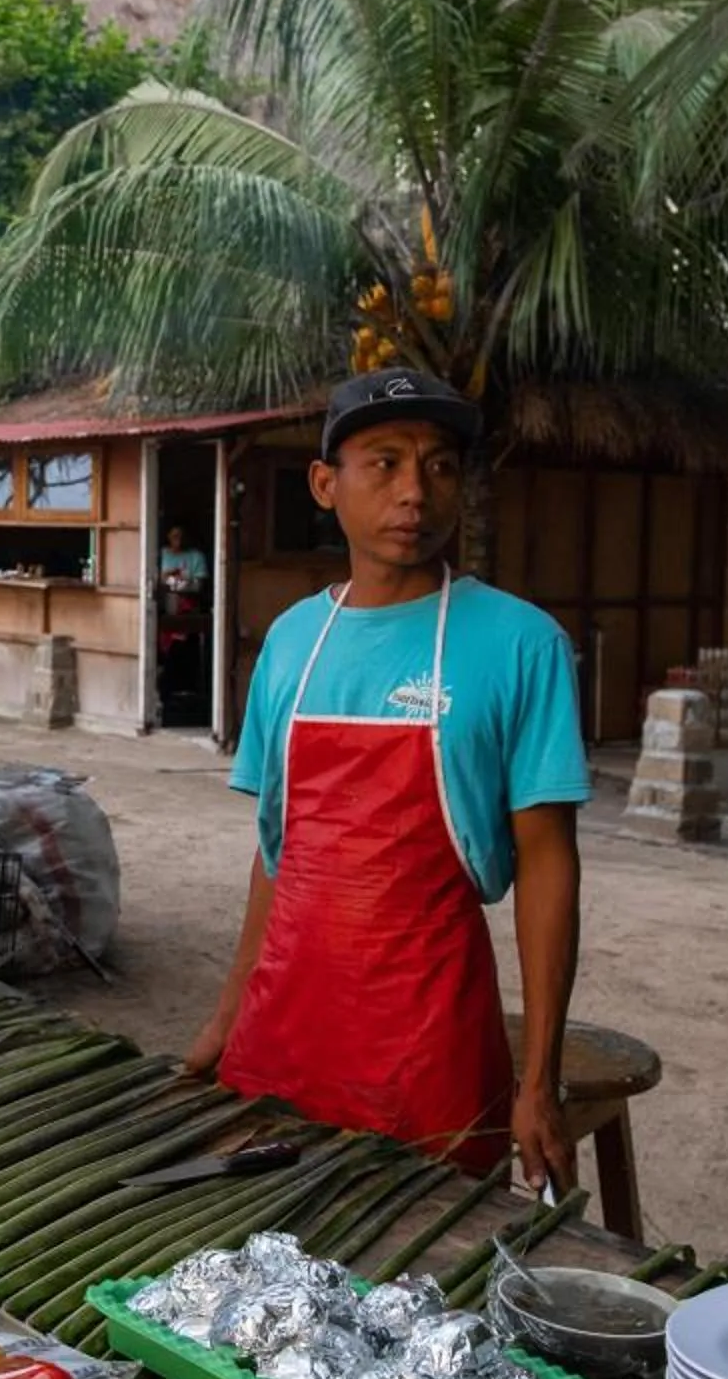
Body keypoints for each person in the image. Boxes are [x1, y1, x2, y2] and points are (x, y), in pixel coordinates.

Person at [183, 369, 589, 1191]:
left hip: (427, 1048)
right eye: (387, 463)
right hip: (281, 1037)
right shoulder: (293, 641)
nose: (416, 492)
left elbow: (548, 864)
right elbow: (279, 853)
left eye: (440, 467)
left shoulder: (522, 644)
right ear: (325, 484)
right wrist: (225, 1022)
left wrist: (537, 1080)